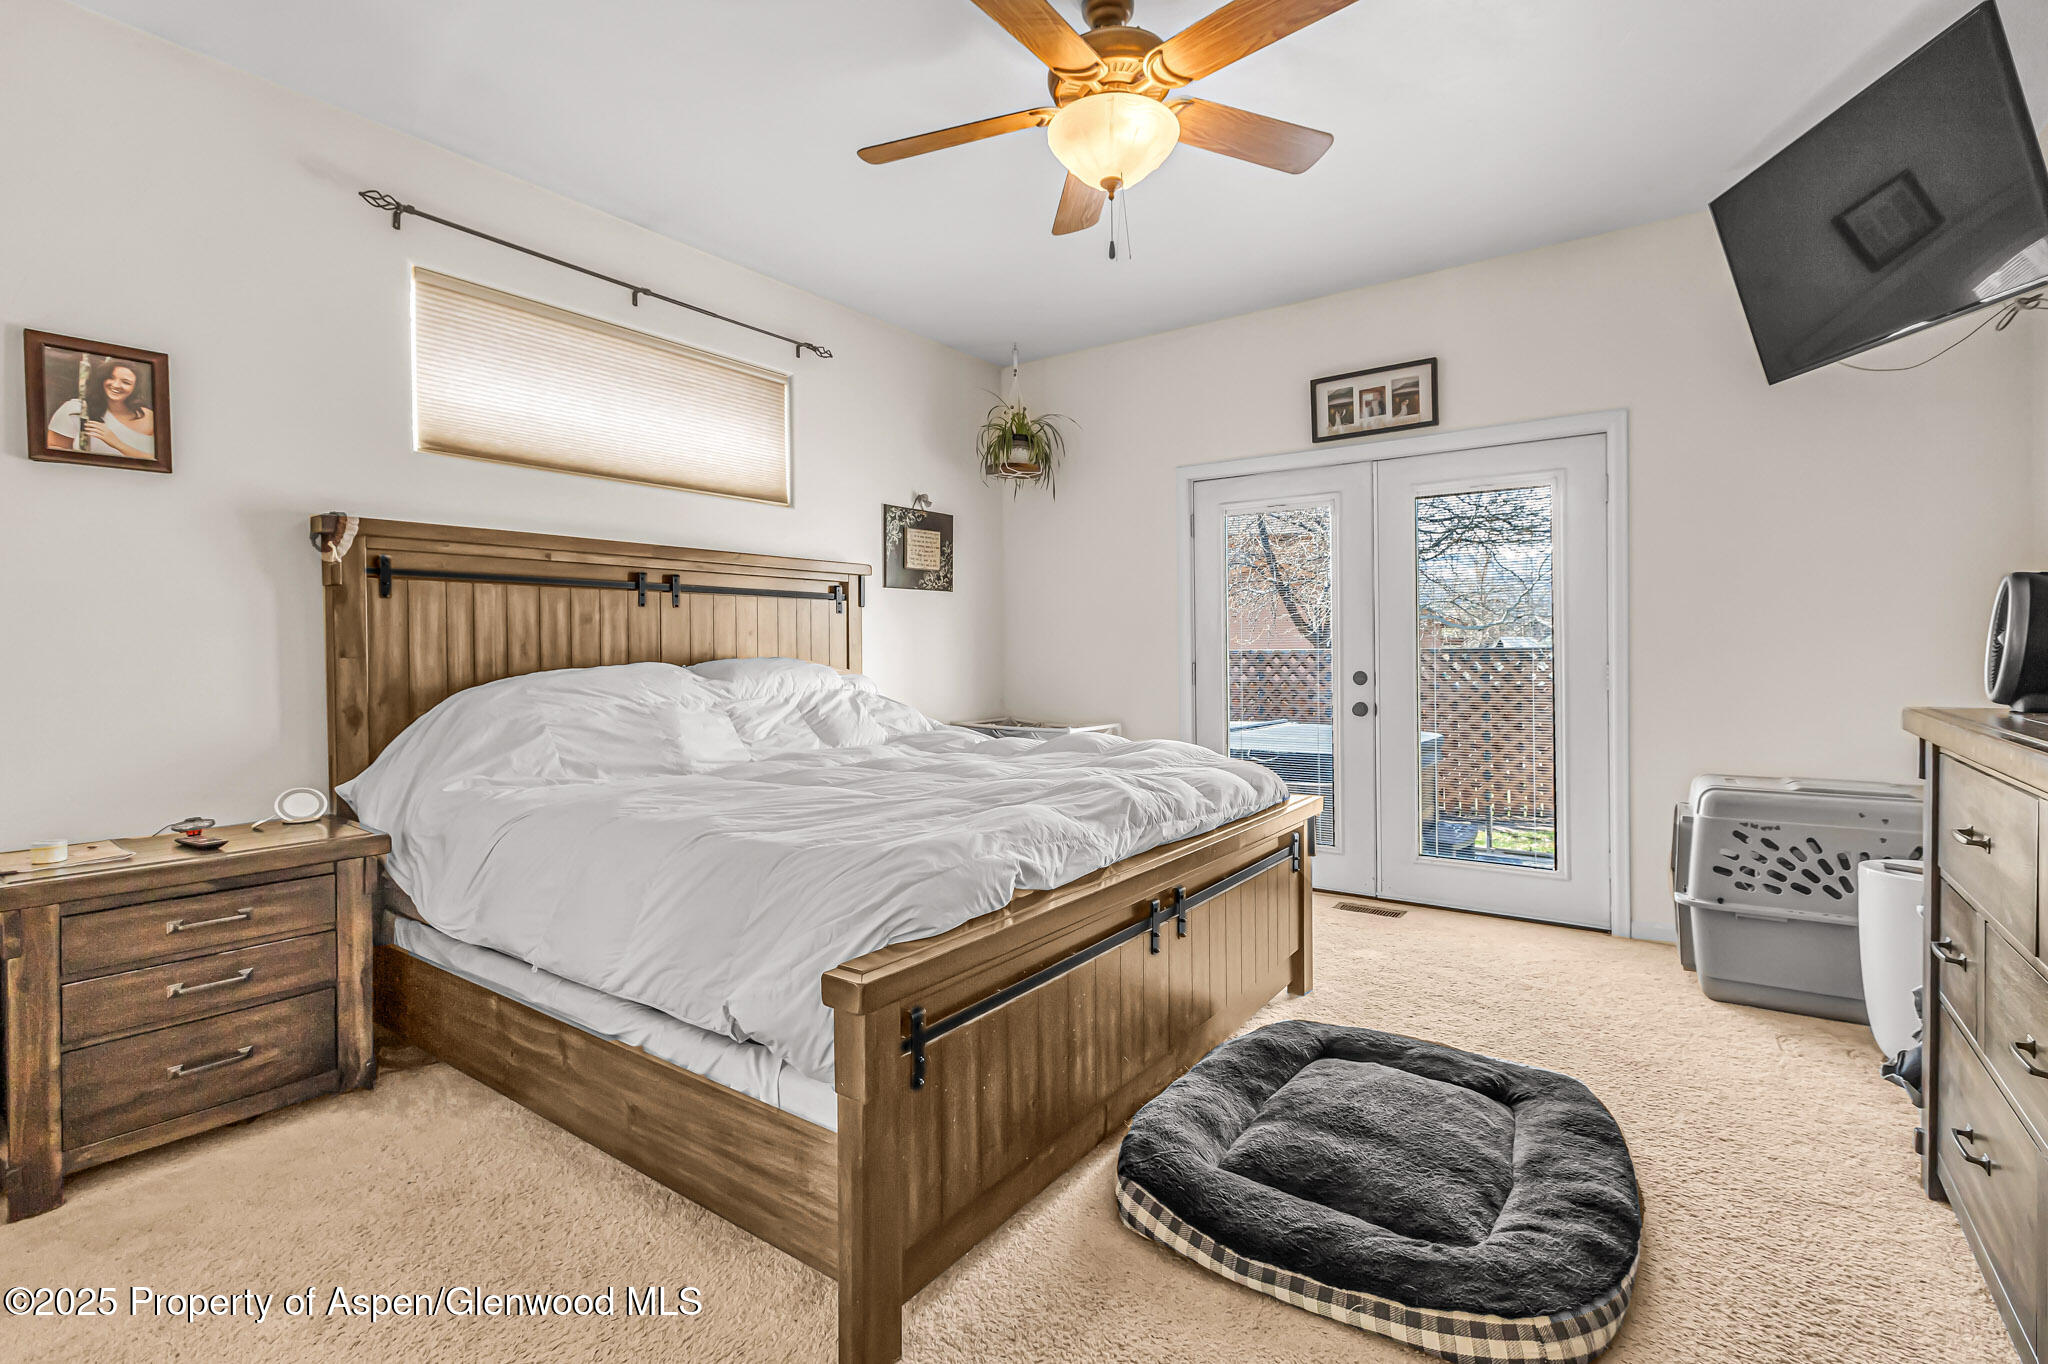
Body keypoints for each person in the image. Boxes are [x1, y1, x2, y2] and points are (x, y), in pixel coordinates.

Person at [45, 356, 155, 460]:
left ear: (135, 388)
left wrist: (116, 443)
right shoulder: (75, 409)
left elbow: (159, 461)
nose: (116, 385)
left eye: (126, 382)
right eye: (111, 378)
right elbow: (54, 451)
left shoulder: (149, 416)